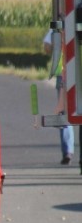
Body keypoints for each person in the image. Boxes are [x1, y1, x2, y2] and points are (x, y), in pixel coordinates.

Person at [43, 30, 75, 164]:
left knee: (65, 113)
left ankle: (68, 150)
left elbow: (47, 46)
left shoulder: (58, 27)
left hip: (64, 74)